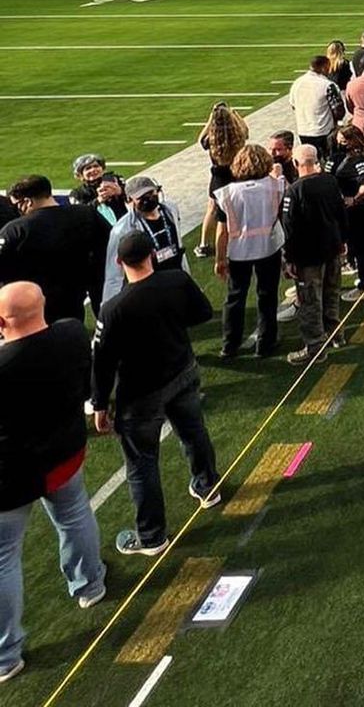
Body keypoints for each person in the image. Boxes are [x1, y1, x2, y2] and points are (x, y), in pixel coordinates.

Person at [0, 282, 105, 683]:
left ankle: (6, 654)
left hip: (12, 477)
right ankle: (89, 584)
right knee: (75, 514)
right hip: (64, 453)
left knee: (4, 558)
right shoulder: (71, 334)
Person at [91, 231, 220, 556]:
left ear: (120, 263)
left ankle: (151, 536)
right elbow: (203, 313)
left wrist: (99, 404)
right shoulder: (176, 280)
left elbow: (102, 363)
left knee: (141, 462)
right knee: (193, 432)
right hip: (182, 370)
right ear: (153, 254)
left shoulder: (113, 308)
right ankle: (208, 486)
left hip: (140, 392)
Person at [0, 176, 108, 324]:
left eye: (17, 204)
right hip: (75, 296)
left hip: (34, 305)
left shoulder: (16, 230)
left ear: (27, 202)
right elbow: (110, 245)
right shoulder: (86, 214)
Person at [215, 144, 285, 360]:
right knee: (267, 295)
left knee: (235, 297)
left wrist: (219, 258)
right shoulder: (276, 186)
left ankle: (230, 344)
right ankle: (265, 343)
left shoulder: (226, 193)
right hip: (268, 247)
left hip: (239, 251)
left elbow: (222, 231)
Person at [281, 142, 346, 367]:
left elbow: (290, 229)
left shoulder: (294, 191)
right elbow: (341, 213)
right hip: (332, 249)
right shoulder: (330, 181)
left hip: (309, 257)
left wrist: (289, 260)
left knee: (310, 302)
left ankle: (315, 348)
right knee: (331, 293)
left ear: (297, 163)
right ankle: (336, 333)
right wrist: (342, 242)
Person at [102, 175, 186, 306]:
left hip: (175, 278)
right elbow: (114, 273)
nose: (148, 199)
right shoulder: (122, 230)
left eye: (151, 193)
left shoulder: (170, 209)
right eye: (141, 197)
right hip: (148, 287)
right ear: (130, 200)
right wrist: (108, 305)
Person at [332, 124, 364, 299]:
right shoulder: (349, 157)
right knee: (362, 244)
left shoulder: (357, 160)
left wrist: (354, 199)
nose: (340, 144)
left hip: (356, 210)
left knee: (361, 244)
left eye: (343, 141)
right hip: (355, 210)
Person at [196, 101, 248, 258]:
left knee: (212, 210)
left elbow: (200, 140)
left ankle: (204, 244)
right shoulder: (238, 137)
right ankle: (240, 238)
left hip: (218, 178)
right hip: (236, 175)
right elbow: (245, 130)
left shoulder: (212, 139)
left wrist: (210, 120)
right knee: (239, 209)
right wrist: (235, 115)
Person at [290, 54, 345, 160]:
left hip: (303, 130)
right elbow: (339, 111)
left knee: (310, 160)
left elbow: (293, 105)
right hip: (324, 131)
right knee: (329, 160)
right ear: (324, 67)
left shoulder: (297, 83)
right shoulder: (327, 85)